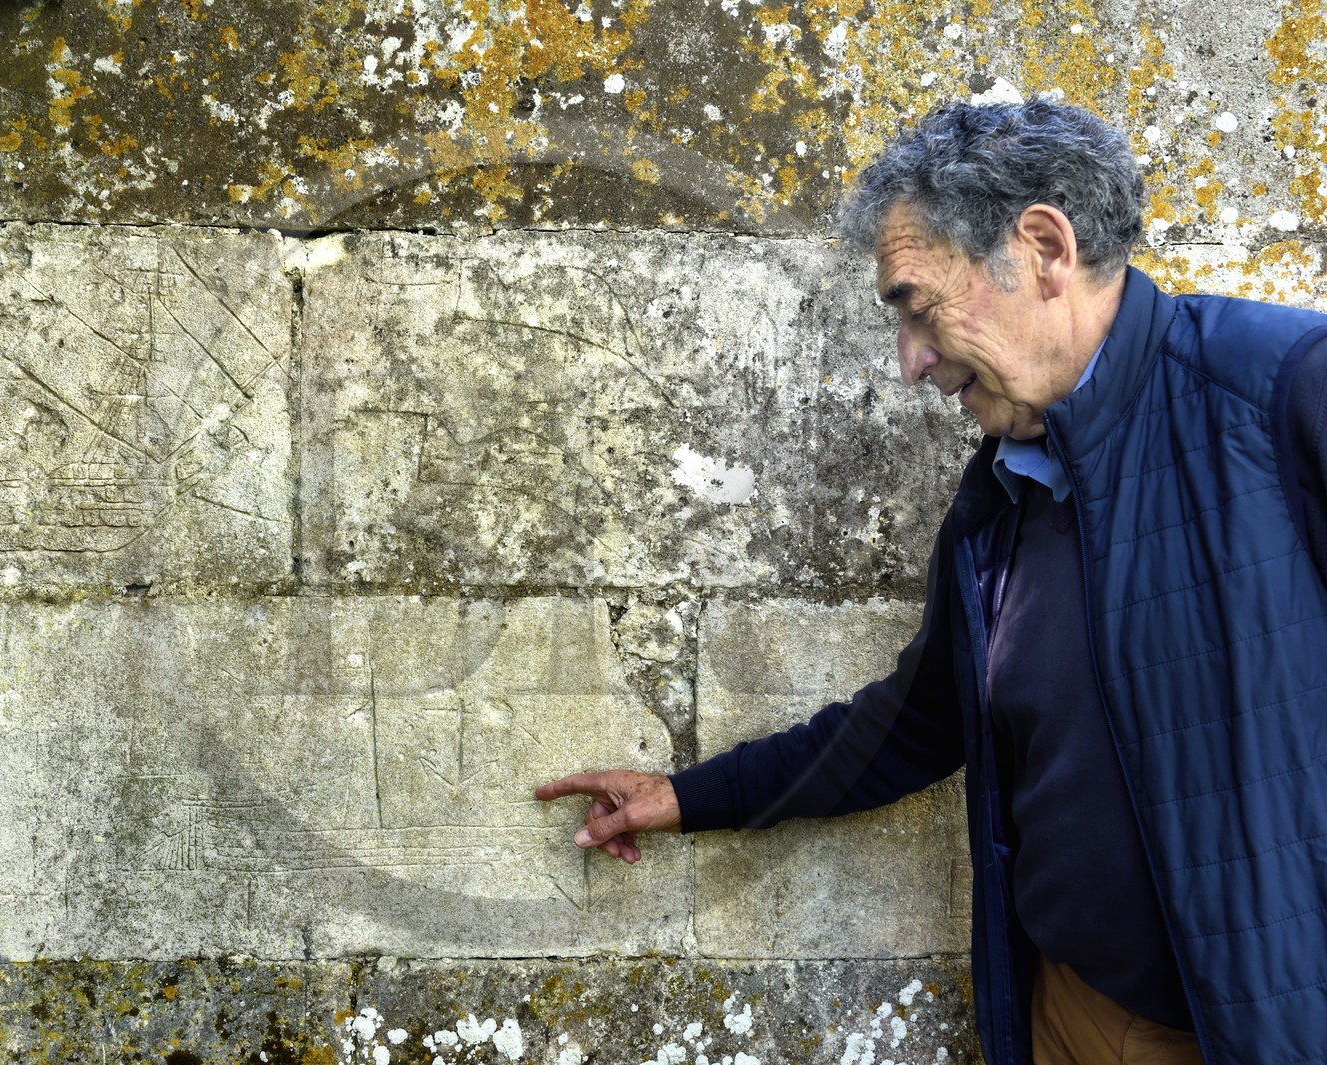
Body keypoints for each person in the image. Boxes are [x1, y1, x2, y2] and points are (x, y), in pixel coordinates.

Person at [536, 98, 1327, 1065]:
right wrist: (689, 794)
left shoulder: (1283, 392)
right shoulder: (1000, 492)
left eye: (919, 305)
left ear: (1042, 247)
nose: (912, 362)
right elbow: (921, 717)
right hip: (1071, 1017)